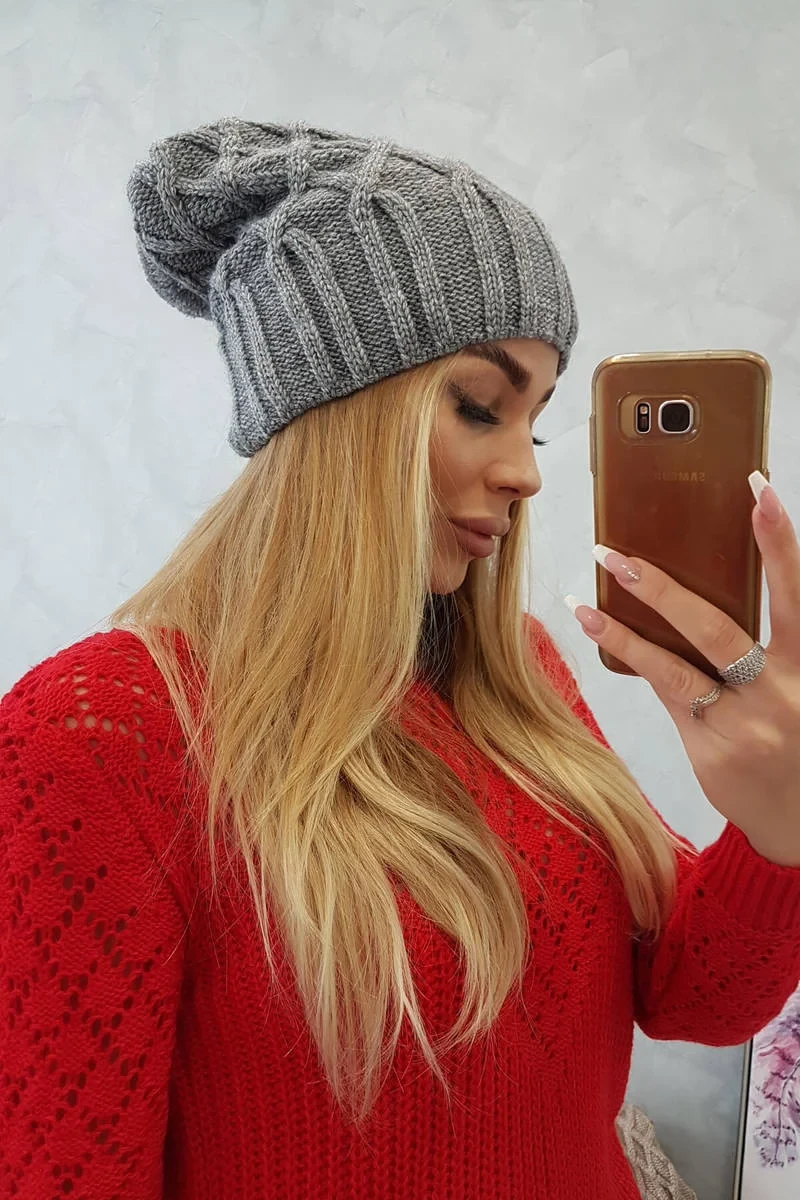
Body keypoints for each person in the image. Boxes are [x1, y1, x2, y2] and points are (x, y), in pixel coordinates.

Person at [1, 117, 799, 1200]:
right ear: (331, 413)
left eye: (534, 423)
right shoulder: (100, 735)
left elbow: (695, 999)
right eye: (478, 405)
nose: (526, 473)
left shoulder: (517, 678)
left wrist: (778, 830)